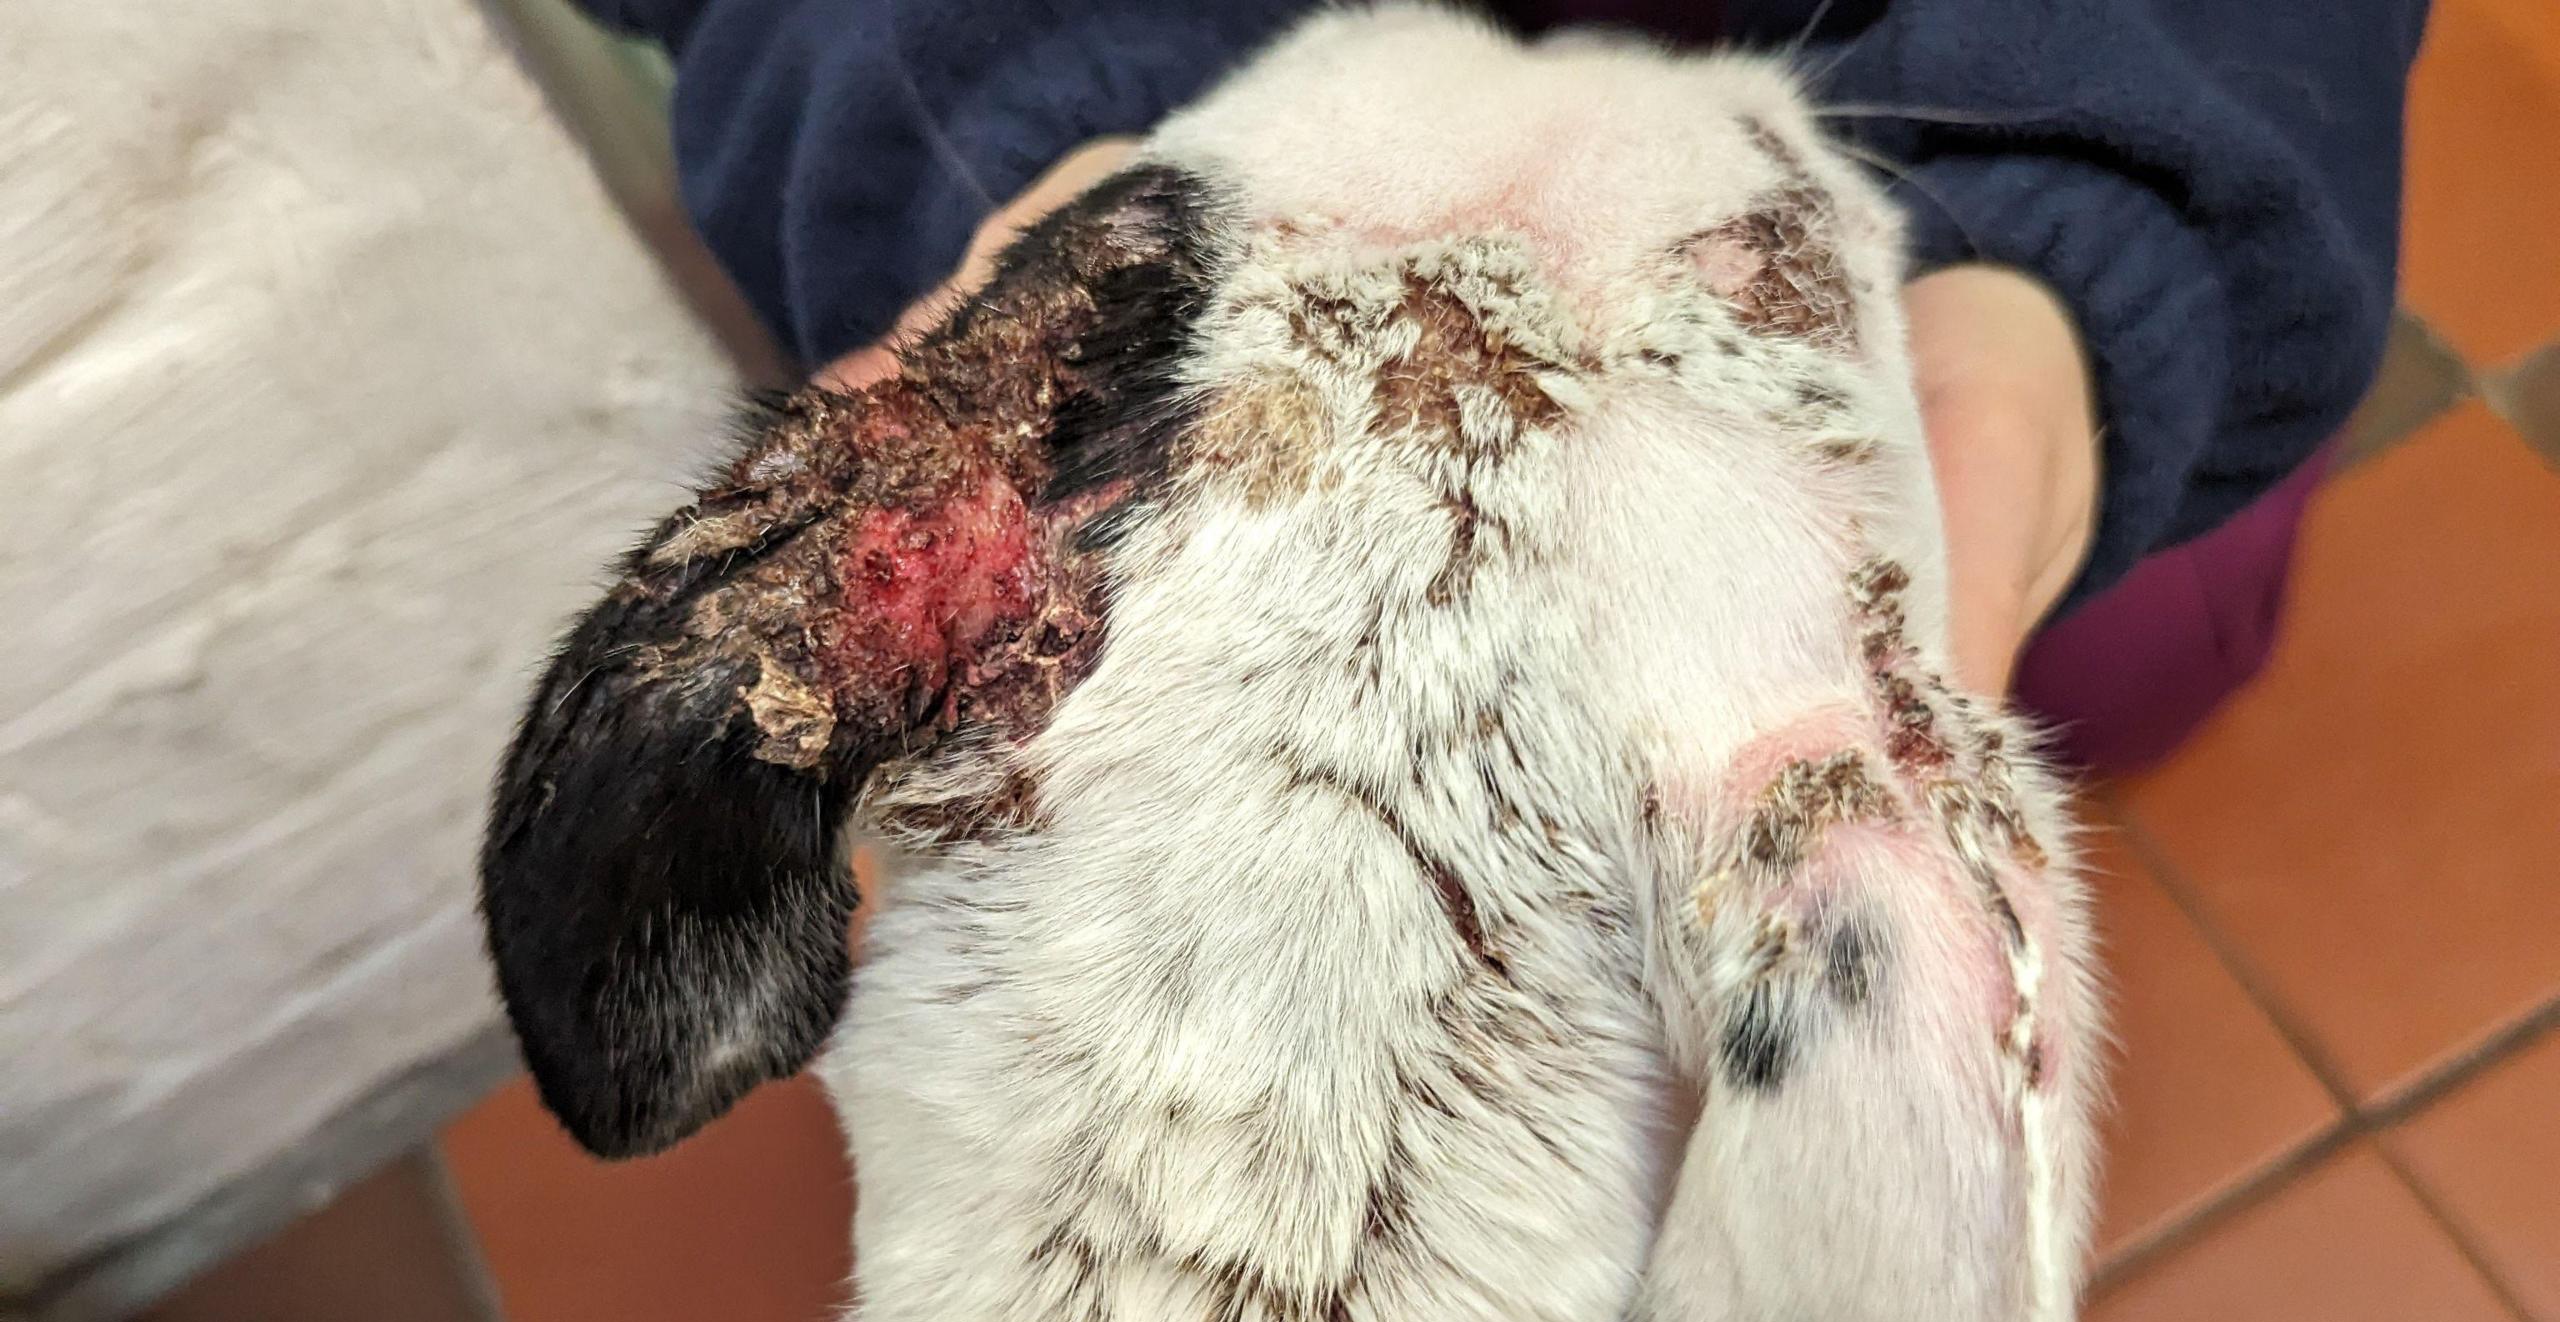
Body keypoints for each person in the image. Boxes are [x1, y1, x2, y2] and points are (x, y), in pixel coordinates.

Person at [571, 0, 2429, 774]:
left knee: (2118, 653)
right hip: (1186, 116)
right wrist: (994, 118)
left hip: (1947, 144)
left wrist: (2111, 223)